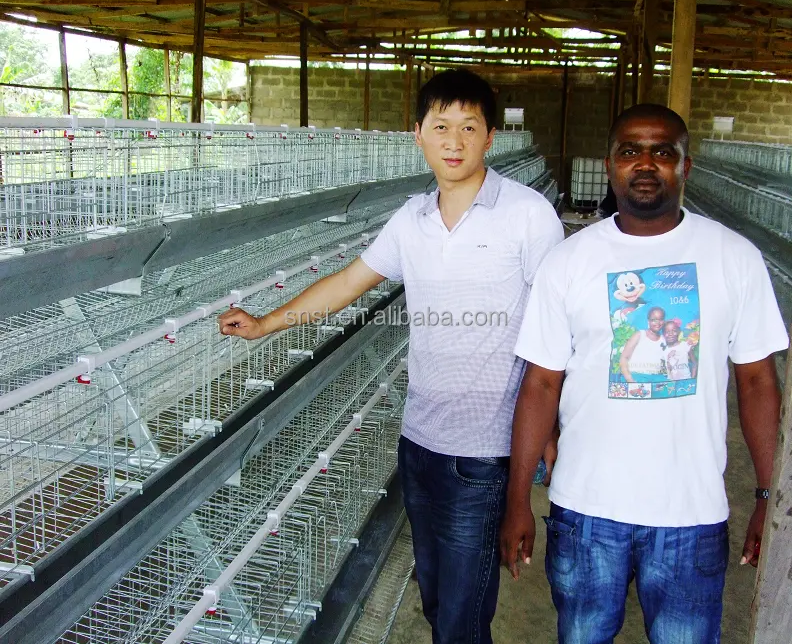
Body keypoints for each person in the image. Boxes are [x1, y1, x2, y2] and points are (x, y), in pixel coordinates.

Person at [218, 69, 564, 644]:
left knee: (462, 616)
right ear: (419, 135)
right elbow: (350, 282)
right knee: (435, 600)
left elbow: (557, 332)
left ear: (490, 138)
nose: (454, 141)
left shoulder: (528, 216)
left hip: (485, 453)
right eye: (441, 126)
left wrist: (544, 441)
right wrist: (266, 324)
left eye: (469, 127)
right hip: (420, 442)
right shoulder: (413, 218)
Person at [500, 103, 789, 643]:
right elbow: (540, 382)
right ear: (610, 165)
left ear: (686, 166)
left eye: (664, 151)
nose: (646, 163)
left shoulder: (734, 257)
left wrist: (769, 496)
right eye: (631, 150)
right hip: (585, 511)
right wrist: (519, 499)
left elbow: (757, 382)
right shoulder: (569, 262)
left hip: (691, 514)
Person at [618, 306, 666, 383]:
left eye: (660, 319)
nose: (658, 323)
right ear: (648, 321)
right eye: (654, 320)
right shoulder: (639, 335)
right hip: (636, 377)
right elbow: (623, 358)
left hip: (656, 379)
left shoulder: (664, 339)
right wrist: (630, 380)